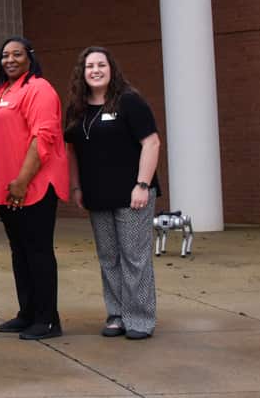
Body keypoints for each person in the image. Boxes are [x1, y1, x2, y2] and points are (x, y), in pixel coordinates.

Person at [64, 46, 161, 340]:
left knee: (135, 257)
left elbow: (152, 143)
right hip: (97, 195)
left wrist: (142, 185)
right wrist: (77, 186)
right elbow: (72, 150)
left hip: (133, 194)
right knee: (109, 257)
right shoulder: (77, 108)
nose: (95, 70)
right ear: (82, 73)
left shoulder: (129, 101)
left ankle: (140, 319)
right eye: (89, 66)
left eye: (101, 65)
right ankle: (117, 314)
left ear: (111, 69)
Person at [0, 36, 69, 340]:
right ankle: (28, 313)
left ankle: (47, 319)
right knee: (20, 251)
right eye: (5, 55)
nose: (9, 60)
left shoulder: (39, 89)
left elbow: (43, 137)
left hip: (33, 186)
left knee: (38, 251)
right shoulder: (4, 91)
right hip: (8, 190)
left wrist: (21, 181)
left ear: (30, 58)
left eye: (17, 54)